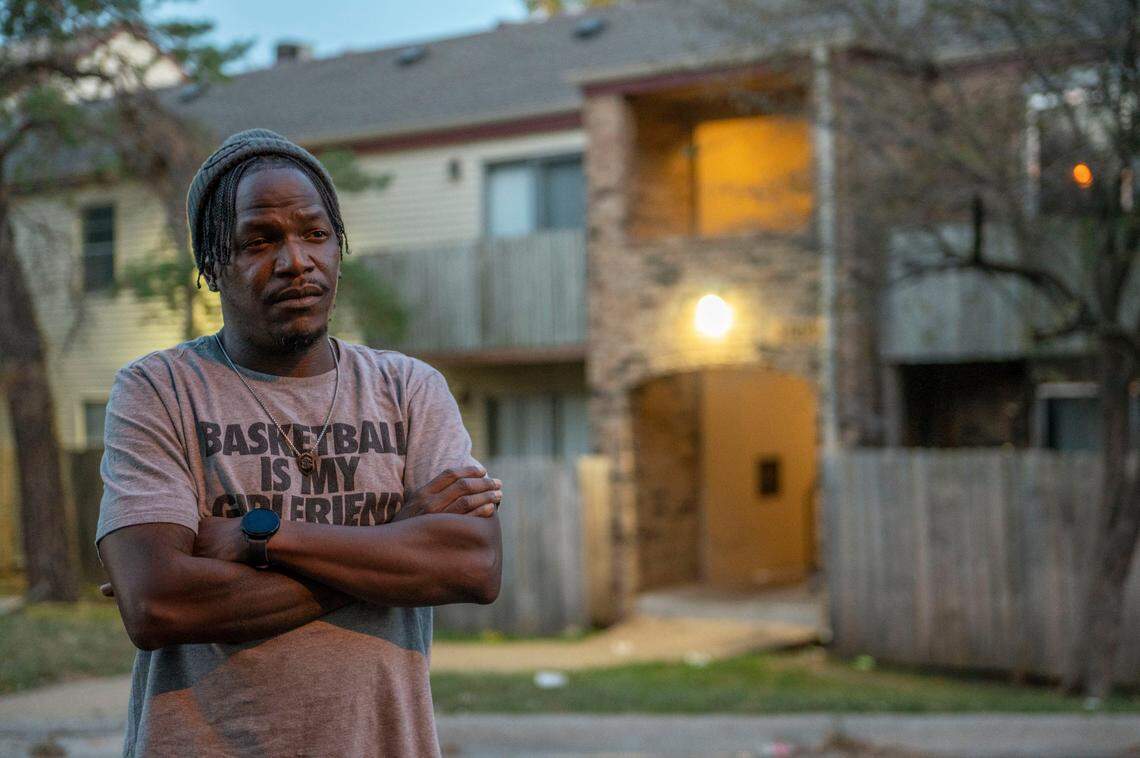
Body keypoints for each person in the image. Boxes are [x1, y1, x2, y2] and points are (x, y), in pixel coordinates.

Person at [95, 128, 503, 757]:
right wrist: (394, 541)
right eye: (260, 241)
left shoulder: (408, 387)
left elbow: (473, 566)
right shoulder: (159, 388)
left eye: (314, 234)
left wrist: (263, 536)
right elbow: (157, 604)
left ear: (338, 247)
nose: (295, 261)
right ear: (211, 265)